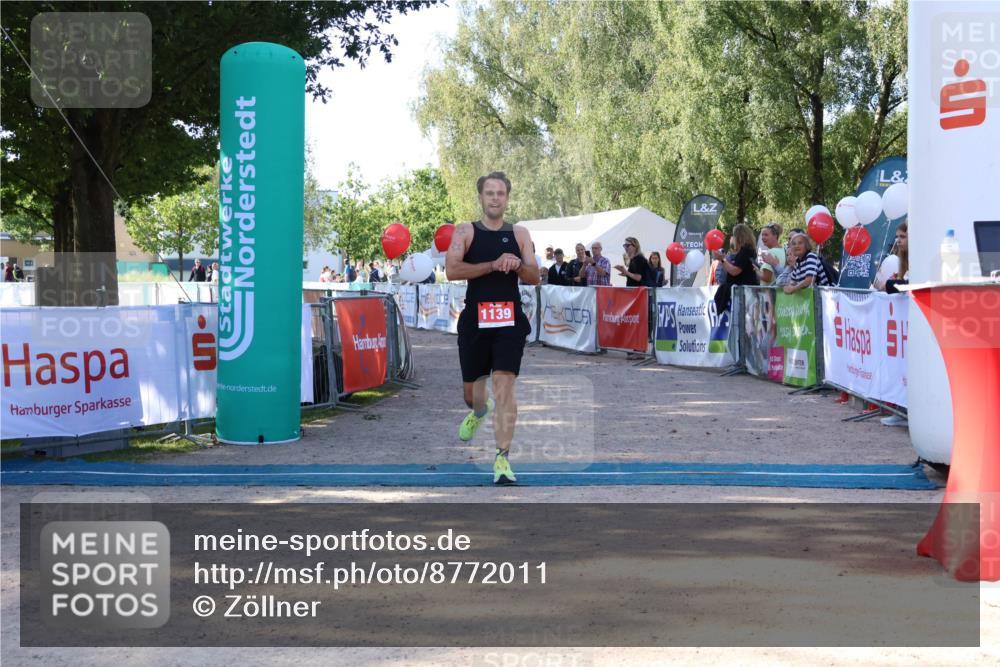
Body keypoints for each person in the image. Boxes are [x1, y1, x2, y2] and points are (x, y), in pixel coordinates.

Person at [445, 171, 539, 485]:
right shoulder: (465, 232)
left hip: (509, 320)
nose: (495, 198)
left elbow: (534, 276)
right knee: (473, 394)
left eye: (500, 193)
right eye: (490, 193)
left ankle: (501, 459)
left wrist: (517, 265)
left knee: (504, 386)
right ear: (481, 198)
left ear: (507, 198)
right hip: (475, 321)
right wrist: (492, 264)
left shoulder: (521, 234)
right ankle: (477, 412)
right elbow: (452, 270)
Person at [711, 223, 759, 313]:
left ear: (739, 237)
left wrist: (722, 260)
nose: (732, 238)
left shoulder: (746, 251)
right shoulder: (746, 251)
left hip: (743, 294)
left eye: (734, 235)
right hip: (742, 293)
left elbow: (735, 271)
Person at [874, 222, 909, 294]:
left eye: (902, 237)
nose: (898, 240)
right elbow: (877, 284)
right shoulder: (896, 259)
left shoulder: (919, 258)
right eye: (897, 237)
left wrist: (888, 285)